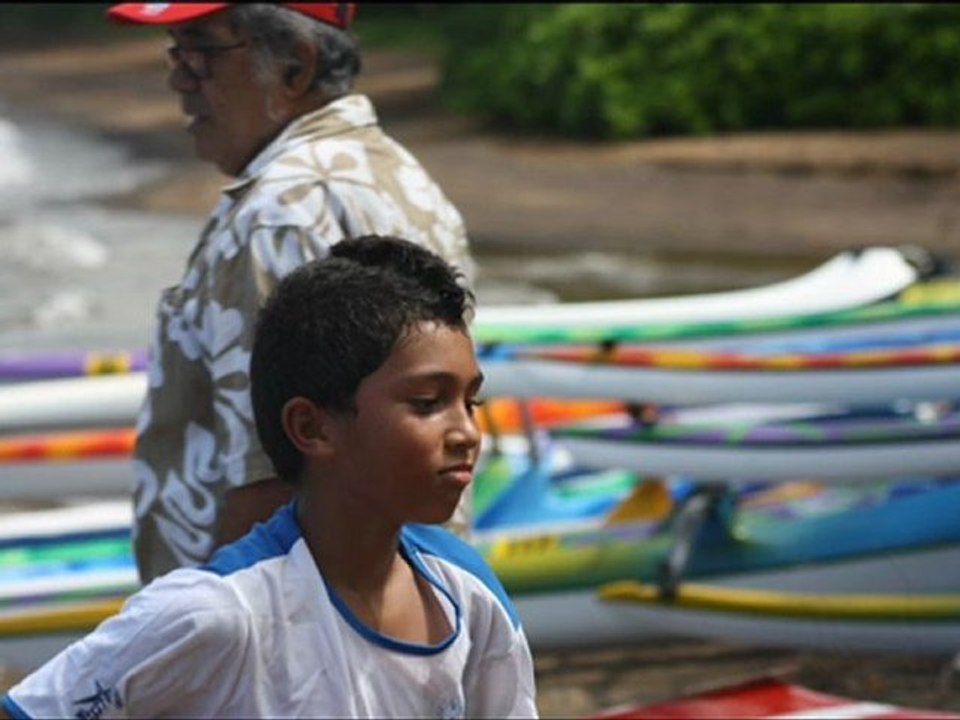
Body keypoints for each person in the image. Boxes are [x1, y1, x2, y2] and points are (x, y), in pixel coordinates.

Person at [0, 235, 537, 719]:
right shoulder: (217, 616)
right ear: (312, 427)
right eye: (427, 402)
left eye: (472, 401)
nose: (466, 431)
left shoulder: (466, 593)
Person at [105, 2, 476, 583]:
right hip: (398, 597)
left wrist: (202, 635)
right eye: (175, 51)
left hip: (296, 619)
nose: (179, 76)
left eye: (201, 50)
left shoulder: (280, 214)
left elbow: (275, 472)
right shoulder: (391, 171)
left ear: (295, 69)